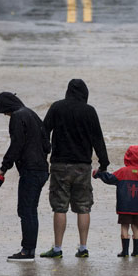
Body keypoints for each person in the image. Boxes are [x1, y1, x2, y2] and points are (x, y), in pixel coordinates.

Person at [40, 79, 109, 259]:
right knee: (84, 207)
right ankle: (83, 248)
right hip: (83, 166)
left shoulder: (57, 107)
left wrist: (45, 150)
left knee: (60, 207)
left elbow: (43, 131)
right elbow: (98, 139)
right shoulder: (89, 111)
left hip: (60, 165)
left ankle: (57, 249)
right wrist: (104, 163)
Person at [0, 92, 51, 262]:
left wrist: (4, 167)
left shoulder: (17, 117)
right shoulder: (32, 114)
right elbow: (47, 143)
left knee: (25, 210)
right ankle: (29, 248)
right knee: (30, 210)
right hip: (42, 170)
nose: (4, 114)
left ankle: (27, 251)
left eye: (4, 111)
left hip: (31, 171)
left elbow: (16, 144)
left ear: (8, 106)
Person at [93, 145, 138, 257]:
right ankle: (136, 252)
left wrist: (98, 174)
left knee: (124, 226)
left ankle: (125, 252)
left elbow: (109, 178)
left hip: (124, 207)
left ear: (127, 157)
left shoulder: (122, 172)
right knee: (136, 227)